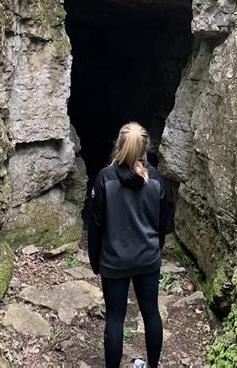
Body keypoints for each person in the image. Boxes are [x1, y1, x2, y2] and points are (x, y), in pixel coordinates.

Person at [88, 122, 168, 368]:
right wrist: (156, 250)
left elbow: (96, 225)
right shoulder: (155, 179)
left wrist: (95, 260)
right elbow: (162, 223)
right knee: (151, 313)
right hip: (148, 258)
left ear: (118, 146)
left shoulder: (105, 178)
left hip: (114, 260)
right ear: (145, 148)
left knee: (114, 318)